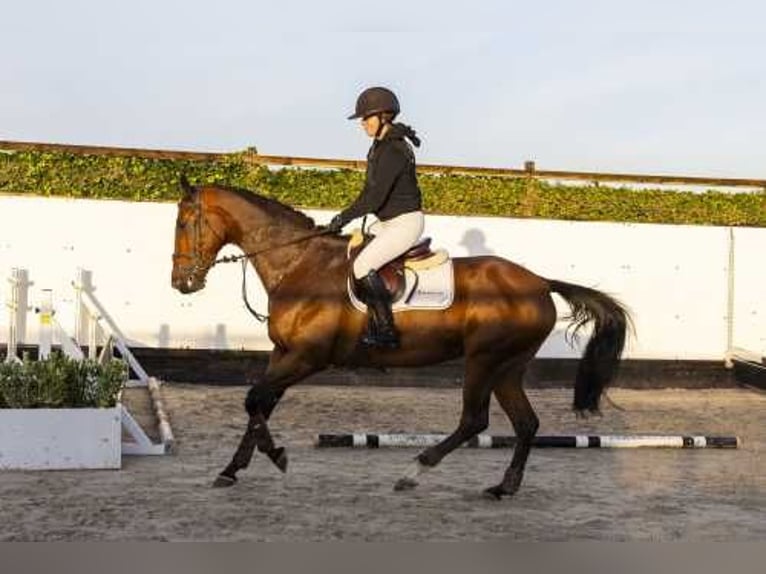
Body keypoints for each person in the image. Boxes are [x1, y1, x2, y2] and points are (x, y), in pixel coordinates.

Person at [326, 86, 424, 349]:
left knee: (362, 266)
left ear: (384, 117)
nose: (362, 123)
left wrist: (342, 218)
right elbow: (369, 193)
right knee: (353, 250)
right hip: (389, 222)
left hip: (404, 224)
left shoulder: (393, 150)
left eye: (366, 118)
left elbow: (374, 198)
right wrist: (344, 218)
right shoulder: (380, 146)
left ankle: (386, 330)